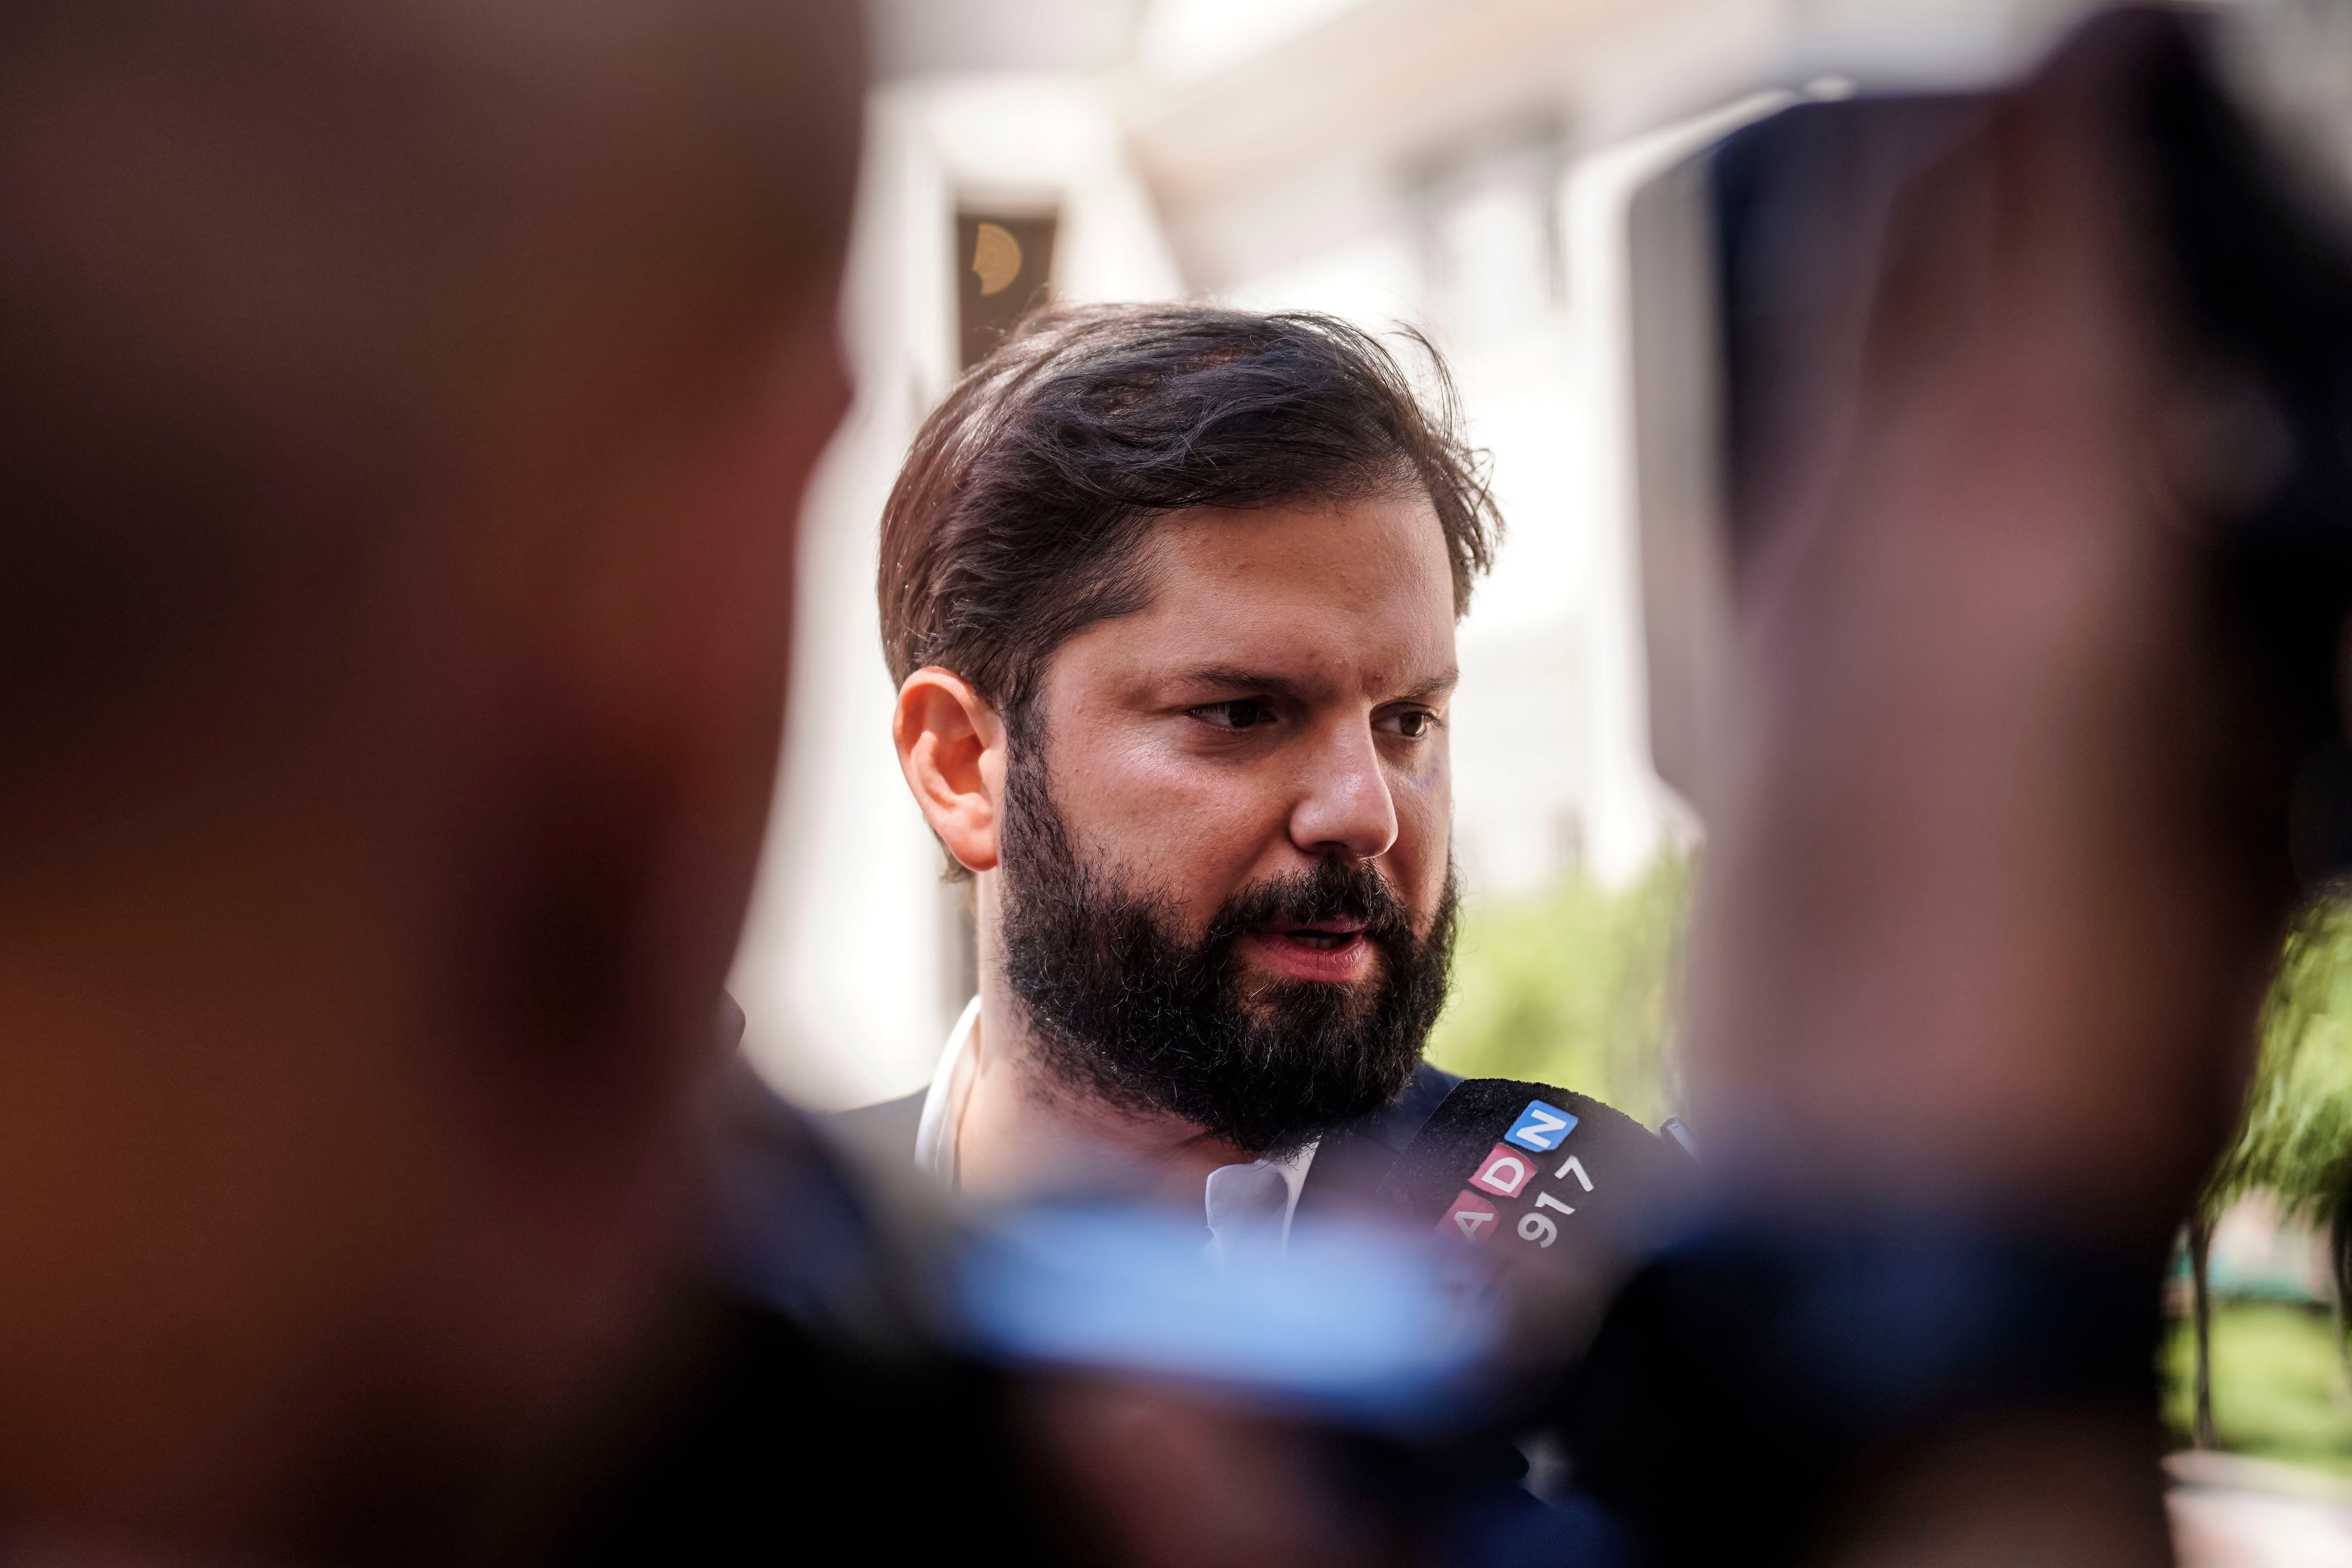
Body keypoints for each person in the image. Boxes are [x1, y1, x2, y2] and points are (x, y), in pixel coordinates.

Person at [844, 302, 1584, 1246]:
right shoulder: (733, 1292)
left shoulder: (1595, 1280)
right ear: (961, 765)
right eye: (1241, 713)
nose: (1366, 813)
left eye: (1406, 722)